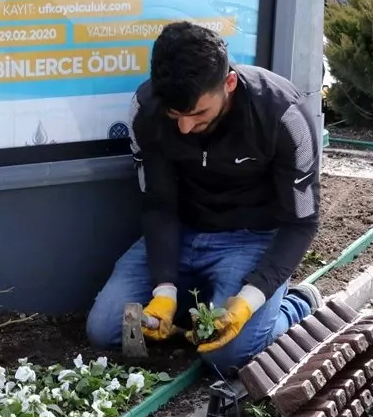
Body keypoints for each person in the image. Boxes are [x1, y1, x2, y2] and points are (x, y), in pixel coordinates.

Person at [86, 22, 323, 376]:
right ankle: (186, 303)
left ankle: (295, 305)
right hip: (181, 233)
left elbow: (301, 223)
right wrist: (164, 288)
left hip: (251, 239)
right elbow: (158, 204)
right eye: (175, 115)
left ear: (228, 83)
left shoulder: (284, 116)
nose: (184, 128)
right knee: (105, 328)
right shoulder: (146, 109)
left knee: (227, 357)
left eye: (198, 114)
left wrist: (248, 301)